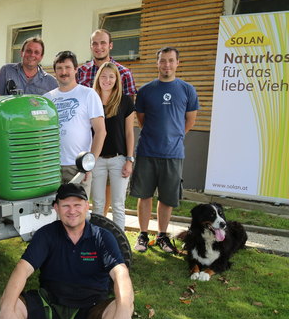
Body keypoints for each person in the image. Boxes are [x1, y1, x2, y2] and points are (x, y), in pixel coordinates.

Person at [0, 183, 133, 319]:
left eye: (77, 205)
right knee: (10, 303)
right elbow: (22, 269)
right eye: (66, 205)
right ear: (56, 208)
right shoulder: (46, 234)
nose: (72, 211)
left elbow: (121, 273)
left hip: (90, 305)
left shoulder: (102, 236)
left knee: (122, 307)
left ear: (87, 206)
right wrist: (6, 309)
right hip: (50, 302)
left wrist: (123, 311)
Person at [131, 47, 199, 254]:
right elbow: (141, 120)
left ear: (178, 63)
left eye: (171, 61)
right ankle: (143, 235)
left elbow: (190, 120)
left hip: (173, 153)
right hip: (147, 152)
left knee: (167, 198)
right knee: (144, 196)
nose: (166, 65)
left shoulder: (187, 89)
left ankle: (162, 235)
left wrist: (174, 137)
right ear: (157, 63)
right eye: (163, 61)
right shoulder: (145, 91)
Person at [43, 51, 106, 196]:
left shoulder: (88, 94)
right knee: (51, 212)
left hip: (78, 166)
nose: (63, 72)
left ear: (76, 69)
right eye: (59, 68)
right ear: (55, 71)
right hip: (51, 166)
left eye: (67, 67)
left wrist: (89, 165)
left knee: (77, 213)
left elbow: (101, 132)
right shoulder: (47, 99)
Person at [90, 62, 135, 231]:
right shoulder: (91, 99)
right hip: (97, 160)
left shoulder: (125, 101)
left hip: (119, 159)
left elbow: (129, 133)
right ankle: (97, 240)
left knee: (118, 205)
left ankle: (118, 245)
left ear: (116, 79)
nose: (107, 80)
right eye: (103, 76)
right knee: (98, 205)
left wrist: (129, 160)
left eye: (111, 76)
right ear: (98, 78)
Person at [76, 29, 137, 97]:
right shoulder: (80, 72)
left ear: (110, 45)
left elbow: (130, 105)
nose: (99, 47)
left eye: (103, 43)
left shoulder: (124, 73)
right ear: (91, 46)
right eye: (95, 43)